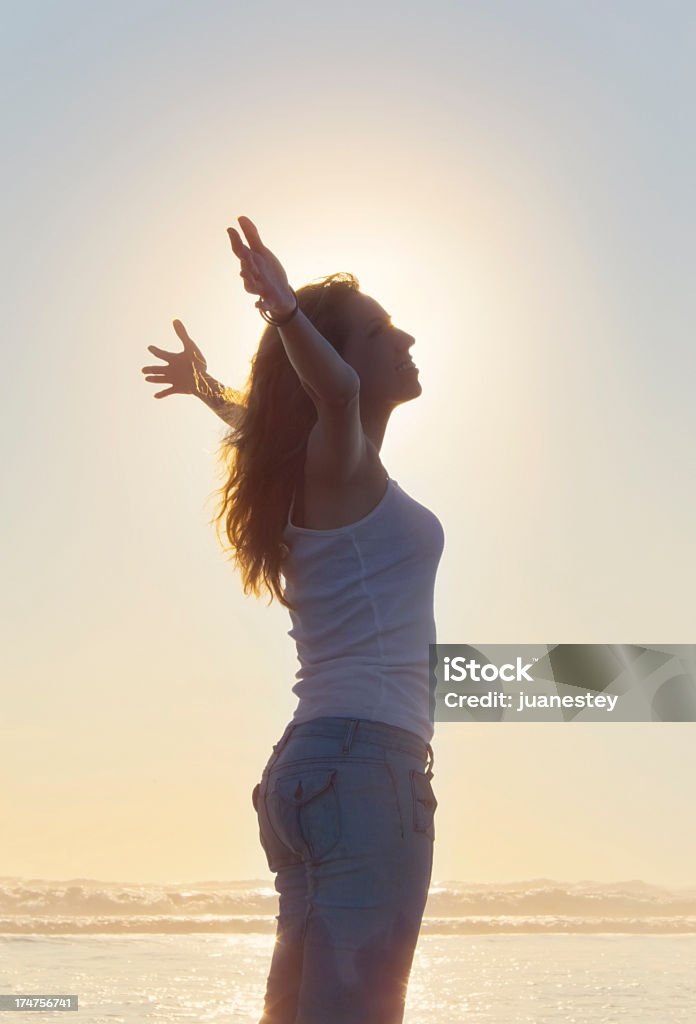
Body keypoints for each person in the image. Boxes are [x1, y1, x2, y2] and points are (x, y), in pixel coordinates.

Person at [141, 215, 444, 1024]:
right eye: (380, 330)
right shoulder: (338, 463)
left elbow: (264, 424)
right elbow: (332, 394)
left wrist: (208, 388)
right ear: (338, 361)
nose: (405, 335)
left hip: (312, 771)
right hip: (365, 769)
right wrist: (282, 311)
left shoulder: (314, 467)